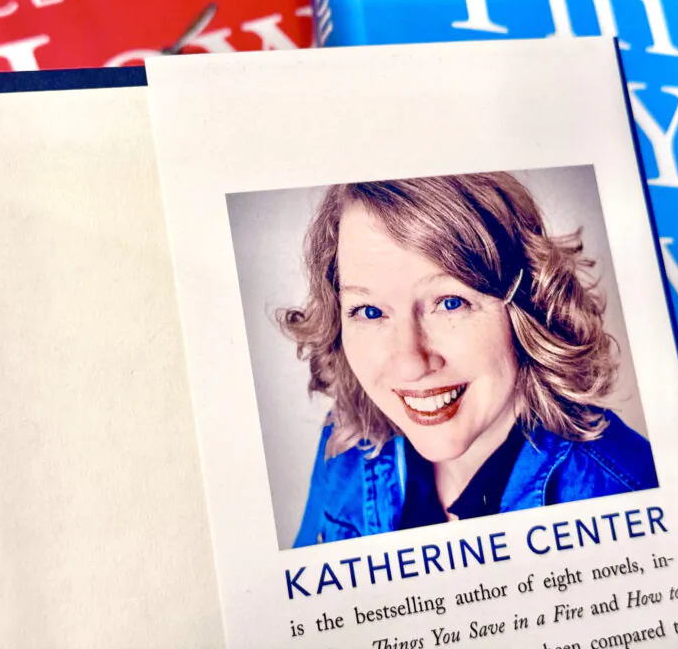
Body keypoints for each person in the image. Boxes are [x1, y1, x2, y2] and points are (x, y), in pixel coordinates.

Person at [279, 172, 656, 547]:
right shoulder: (344, 442)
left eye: (451, 303)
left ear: (526, 305)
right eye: (370, 312)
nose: (410, 363)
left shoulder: (627, 494)